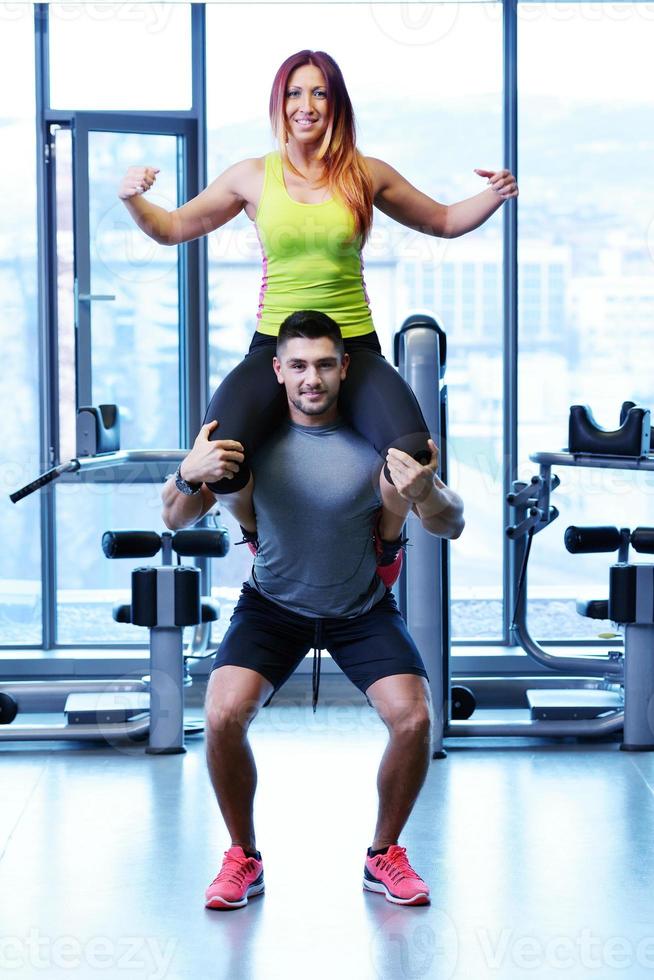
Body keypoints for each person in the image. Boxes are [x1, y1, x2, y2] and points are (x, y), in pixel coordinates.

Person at [161, 311, 464, 910]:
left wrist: (428, 490)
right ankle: (242, 856)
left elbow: (451, 522)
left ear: (345, 367)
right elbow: (173, 516)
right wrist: (184, 473)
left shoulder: (377, 443)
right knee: (222, 715)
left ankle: (385, 855)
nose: (312, 379)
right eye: (298, 365)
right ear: (276, 370)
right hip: (273, 605)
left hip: (361, 609)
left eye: (325, 364)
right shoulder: (251, 445)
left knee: (414, 720)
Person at [120, 49, 518, 494]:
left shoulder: (365, 174)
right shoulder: (251, 176)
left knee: (414, 454)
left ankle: (386, 547)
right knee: (220, 455)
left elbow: (442, 221)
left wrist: (494, 194)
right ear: (279, 103)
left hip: (353, 340)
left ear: (336, 104)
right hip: (276, 341)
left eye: (319, 93)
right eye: (294, 93)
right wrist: (134, 200)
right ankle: (256, 537)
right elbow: (172, 228)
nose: (305, 105)